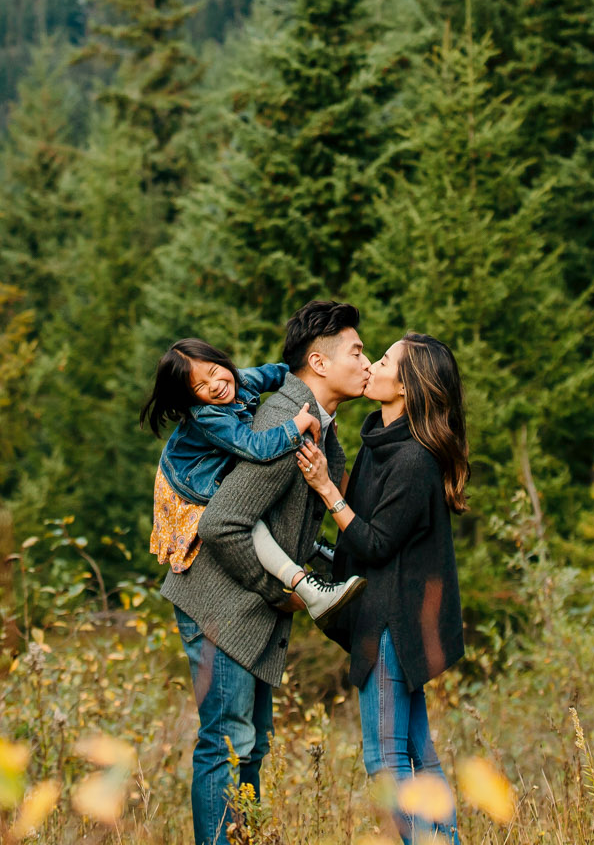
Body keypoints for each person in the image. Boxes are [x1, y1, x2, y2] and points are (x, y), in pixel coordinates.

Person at [160, 300, 372, 845]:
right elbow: (223, 526)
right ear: (319, 363)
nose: (366, 360)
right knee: (228, 742)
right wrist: (281, 591)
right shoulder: (283, 423)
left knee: (252, 744)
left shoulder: (316, 422)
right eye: (357, 350)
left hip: (245, 603)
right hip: (220, 605)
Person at [294, 333, 468, 845]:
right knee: (418, 749)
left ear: (408, 389)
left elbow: (374, 543)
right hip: (390, 616)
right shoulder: (380, 440)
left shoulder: (413, 460)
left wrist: (326, 489)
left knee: (386, 763)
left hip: (393, 627)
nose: (371, 365)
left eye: (385, 360)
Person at [139, 338, 365, 619]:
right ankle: (305, 586)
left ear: (222, 362)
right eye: (200, 387)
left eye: (212, 372)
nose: (215, 385)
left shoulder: (242, 379)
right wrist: (297, 424)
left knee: (263, 492)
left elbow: (284, 373)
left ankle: (313, 550)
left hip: (217, 460)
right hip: (192, 480)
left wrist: (319, 384)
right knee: (243, 516)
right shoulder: (208, 416)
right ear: (192, 398)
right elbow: (255, 446)